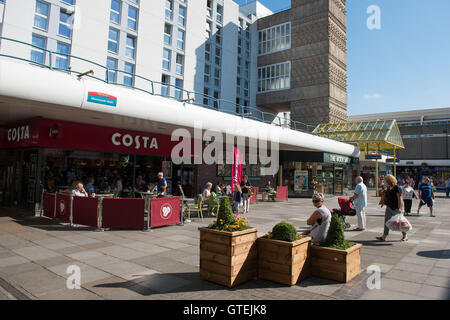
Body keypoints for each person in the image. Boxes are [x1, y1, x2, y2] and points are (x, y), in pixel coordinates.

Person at [376, 174, 408, 241]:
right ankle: (384, 236)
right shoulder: (388, 188)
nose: (384, 182)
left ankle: (405, 236)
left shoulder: (397, 188)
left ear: (389, 180)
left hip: (396, 208)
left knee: (400, 222)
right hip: (389, 207)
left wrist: (400, 208)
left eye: (385, 180)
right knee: (387, 222)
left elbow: (400, 199)